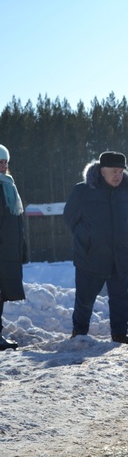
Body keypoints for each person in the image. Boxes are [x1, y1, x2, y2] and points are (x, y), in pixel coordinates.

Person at [63, 151, 128, 344]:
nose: (117, 175)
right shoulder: (83, 191)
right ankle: (79, 333)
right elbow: (70, 218)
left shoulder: (127, 192)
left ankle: (120, 333)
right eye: (113, 171)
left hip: (119, 255)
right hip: (90, 255)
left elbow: (127, 219)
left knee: (120, 297)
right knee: (85, 299)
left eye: (121, 171)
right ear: (101, 170)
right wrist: (86, 238)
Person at [0, 145, 27, 351]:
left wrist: (21, 250)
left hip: (7, 251)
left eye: (5, 162)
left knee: (1, 294)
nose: (3, 165)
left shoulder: (9, 185)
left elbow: (16, 223)